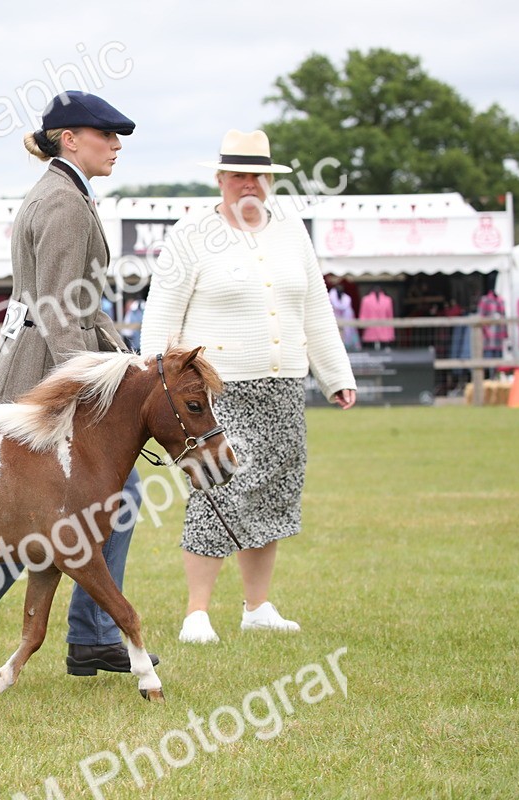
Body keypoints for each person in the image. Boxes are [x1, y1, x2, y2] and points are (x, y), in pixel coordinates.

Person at [0, 90, 152, 694]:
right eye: (106, 136)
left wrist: (126, 362)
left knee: (42, 520)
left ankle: (73, 636)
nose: (115, 147)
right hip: (43, 374)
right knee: (83, 506)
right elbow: (62, 310)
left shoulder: (59, 192)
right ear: (71, 139)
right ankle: (77, 635)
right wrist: (85, 391)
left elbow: (78, 308)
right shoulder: (64, 203)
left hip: (30, 367)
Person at [139, 129, 357, 644]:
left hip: (284, 385)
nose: (249, 184)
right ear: (220, 179)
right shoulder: (191, 233)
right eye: (238, 175)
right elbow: (162, 314)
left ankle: (257, 607)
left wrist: (336, 375)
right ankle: (197, 614)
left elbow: (315, 308)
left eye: (258, 175)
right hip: (216, 393)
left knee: (274, 491)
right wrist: (155, 379)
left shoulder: (291, 230)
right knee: (218, 489)